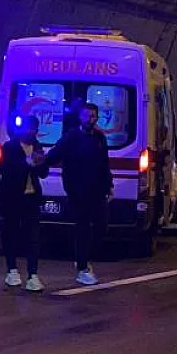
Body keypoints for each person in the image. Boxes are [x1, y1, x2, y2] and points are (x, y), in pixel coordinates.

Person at [40, 102, 113, 285]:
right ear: (81, 117)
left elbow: (104, 163)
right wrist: (40, 163)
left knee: (102, 226)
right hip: (77, 190)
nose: (90, 119)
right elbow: (54, 155)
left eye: (93, 116)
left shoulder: (99, 138)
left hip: (97, 190)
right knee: (82, 227)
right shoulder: (71, 137)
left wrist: (109, 185)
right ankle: (82, 267)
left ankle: (84, 259)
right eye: (87, 116)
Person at [0, 115, 49, 291]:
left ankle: (33, 274)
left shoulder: (37, 147)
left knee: (33, 237)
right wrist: (27, 163)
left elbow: (43, 173)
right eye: (29, 129)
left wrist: (40, 163)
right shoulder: (9, 147)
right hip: (13, 198)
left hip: (31, 197)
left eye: (35, 129)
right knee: (11, 234)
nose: (32, 132)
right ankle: (12, 270)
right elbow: (6, 170)